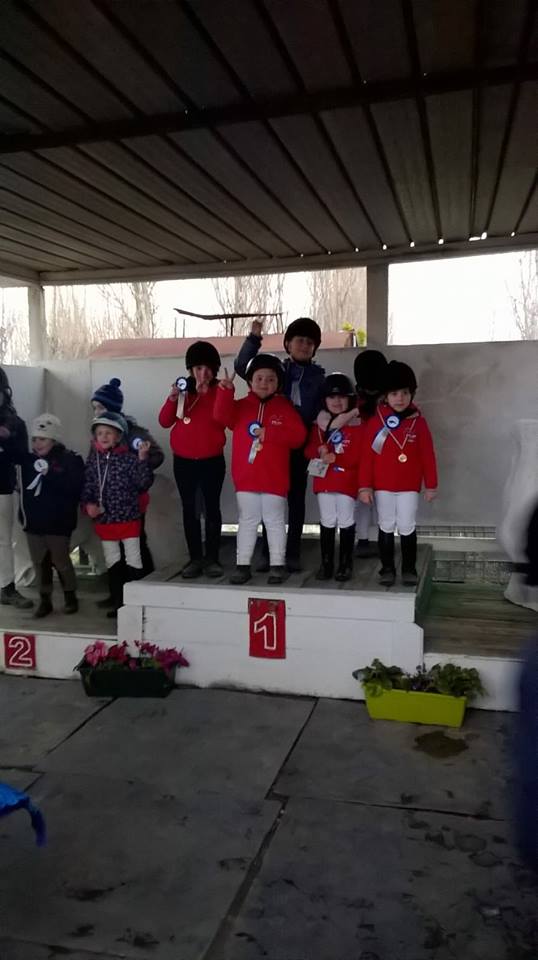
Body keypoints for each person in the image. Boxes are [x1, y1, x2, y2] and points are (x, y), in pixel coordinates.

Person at [234, 317, 325, 571]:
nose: (304, 346)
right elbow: (244, 366)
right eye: (299, 340)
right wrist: (253, 338)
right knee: (269, 499)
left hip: (301, 442)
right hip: (272, 445)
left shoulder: (319, 377)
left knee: (296, 498)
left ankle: (291, 551)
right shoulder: (278, 371)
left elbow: (326, 407)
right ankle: (267, 552)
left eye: (310, 342)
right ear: (287, 344)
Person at [215, 354, 306, 585]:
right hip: (247, 479)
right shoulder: (241, 407)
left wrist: (272, 434)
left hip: (275, 480)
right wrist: (225, 391)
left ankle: (277, 565)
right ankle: (242, 565)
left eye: (271, 379)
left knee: (274, 521)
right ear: (249, 381)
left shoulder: (284, 408)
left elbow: (299, 437)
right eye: (259, 378)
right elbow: (220, 416)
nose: (264, 383)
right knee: (247, 520)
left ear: (278, 383)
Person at [358, 360, 437, 587]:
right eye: (394, 393)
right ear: (385, 396)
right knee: (386, 524)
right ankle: (387, 569)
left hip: (409, 487)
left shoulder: (419, 423)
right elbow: (367, 457)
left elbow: (428, 456)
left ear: (411, 394)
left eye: (404, 393)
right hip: (383, 486)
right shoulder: (375, 423)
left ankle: (409, 569)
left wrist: (431, 484)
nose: (400, 398)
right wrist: (365, 486)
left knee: (407, 525)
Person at [158, 341, 226, 579]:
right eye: (197, 368)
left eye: (207, 369)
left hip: (212, 460)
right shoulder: (183, 390)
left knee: (212, 509)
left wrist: (217, 395)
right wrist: (172, 398)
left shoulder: (220, 390)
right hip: (184, 461)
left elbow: (225, 419)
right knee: (190, 509)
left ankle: (213, 558)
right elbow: (165, 421)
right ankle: (195, 558)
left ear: (215, 370)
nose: (202, 374)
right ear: (190, 370)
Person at [91, 376, 164, 580]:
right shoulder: (97, 435)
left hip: (133, 499)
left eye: (100, 407)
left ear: (113, 408)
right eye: (94, 408)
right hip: (108, 501)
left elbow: (158, 455)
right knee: (113, 549)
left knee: (136, 543)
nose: (96, 412)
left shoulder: (134, 432)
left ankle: (145, 586)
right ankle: (118, 591)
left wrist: (135, 465)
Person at [81, 412, 153, 617]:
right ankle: (118, 602)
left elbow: (143, 483)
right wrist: (88, 505)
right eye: (100, 433)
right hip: (105, 521)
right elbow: (87, 486)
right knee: (112, 561)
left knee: (134, 559)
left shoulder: (129, 459)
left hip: (129, 519)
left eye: (109, 433)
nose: (104, 437)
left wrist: (142, 460)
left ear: (118, 436)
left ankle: (137, 603)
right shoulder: (93, 461)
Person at [15, 413, 84, 618]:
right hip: (33, 523)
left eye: (42, 439)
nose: (37, 443)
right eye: (34, 439)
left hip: (58, 523)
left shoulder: (70, 460)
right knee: (39, 563)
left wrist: (51, 476)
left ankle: (70, 597)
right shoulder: (27, 462)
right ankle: (45, 600)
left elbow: (74, 488)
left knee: (61, 561)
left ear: (54, 440)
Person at [305, 374, 362, 581]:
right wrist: (318, 452)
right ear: (324, 400)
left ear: (350, 399)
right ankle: (327, 563)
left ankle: (346, 564)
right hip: (324, 482)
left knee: (346, 519)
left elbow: (358, 454)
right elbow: (308, 449)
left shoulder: (356, 424)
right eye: (331, 398)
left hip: (346, 482)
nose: (336, 402)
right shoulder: (318, 425)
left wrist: (336, 458)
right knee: (327, 520)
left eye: (341, 398)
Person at [0, 368, 32, 609]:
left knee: (3, 540)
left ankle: (7, 587)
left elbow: (23, 456)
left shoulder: (15, 422)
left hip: (2, 486)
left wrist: (6, 440)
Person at [353, 350, 388, 559]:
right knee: (363, 499)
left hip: (385, 456)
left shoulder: (390, 397)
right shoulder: (355, 398)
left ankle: (381, 538)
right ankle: (363, 539)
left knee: (383, 499)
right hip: (360, 456)